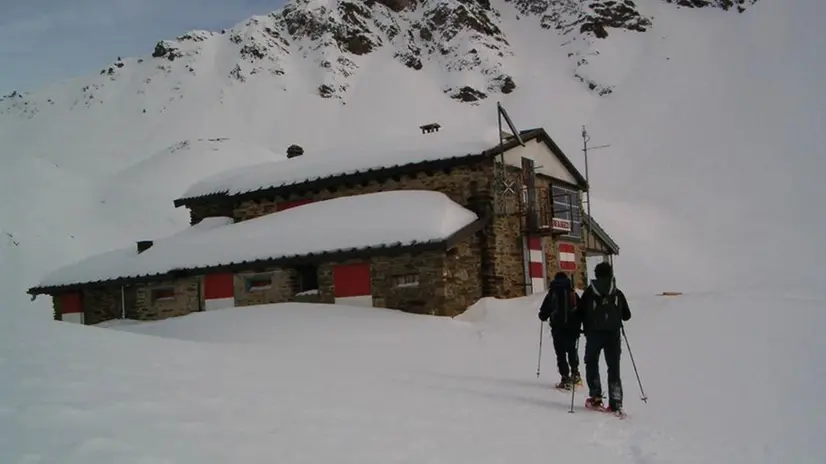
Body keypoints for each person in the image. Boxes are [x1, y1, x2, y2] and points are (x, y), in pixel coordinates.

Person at [578, 261, 631, 413]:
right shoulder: (617, 292)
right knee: (613, 367)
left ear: (596, 275)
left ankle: (595, 396)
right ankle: (616, 401)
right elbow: (627, 316)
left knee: (591, 362)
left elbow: (579, 312)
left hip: (594, 334)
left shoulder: (589, 292)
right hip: (613, 335)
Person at [538, 271, 582, 390]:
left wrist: (544, 316)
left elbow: (543, 314)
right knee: (572, 350)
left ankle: (565, 378)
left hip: (557, 329)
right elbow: (581, 309)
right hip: (572, 329)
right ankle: (575, 373)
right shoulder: (572, 292)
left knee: (561, 354)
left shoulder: (552, 293)